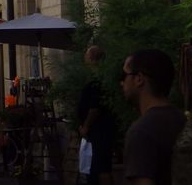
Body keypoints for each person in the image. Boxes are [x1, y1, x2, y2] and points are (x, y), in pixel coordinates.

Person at [121, 48, 185, 185]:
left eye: (124, 76)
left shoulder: (141, 132)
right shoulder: (183, 120)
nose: (122, 82)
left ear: (139, 79)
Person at [77, 45, 115, 185]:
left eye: (87, 56)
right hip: (98, 131)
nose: (85, 59)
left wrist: (86, 126)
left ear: (92, 58)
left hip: (99, 131)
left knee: (101, 167)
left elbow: (95, 108)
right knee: (96, 167)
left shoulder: (97, 81)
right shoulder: (98, 79)